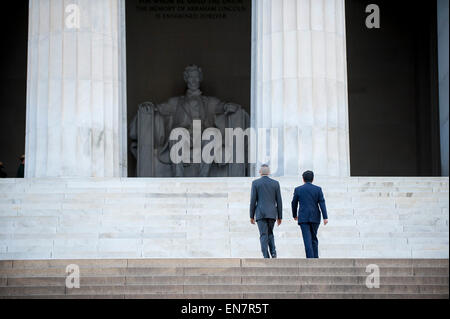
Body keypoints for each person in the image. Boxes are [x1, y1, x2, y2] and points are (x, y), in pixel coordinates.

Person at [291, 171, 328, 258]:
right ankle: (315, 258)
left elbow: (294, 203)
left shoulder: (298, 189)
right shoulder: (318, 189)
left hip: (303, 217)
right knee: (314, 238)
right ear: (313, 179)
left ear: (303, 179)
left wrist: (294, 215)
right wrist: (325, 217)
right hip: (315, 217)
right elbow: (322, 203)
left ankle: (310, 259)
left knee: (307, 239)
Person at [250, 164, 283, 258]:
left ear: (260, 172)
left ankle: (265, 255)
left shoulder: (255, 183)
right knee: (270, 233)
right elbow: (279, 201)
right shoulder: (275, 183)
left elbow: (253, 200)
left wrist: (251, 215)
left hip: (260, 213)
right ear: (269, 172)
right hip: (272, 213)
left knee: (263, 234)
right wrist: (280, 216)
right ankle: (273, 252)